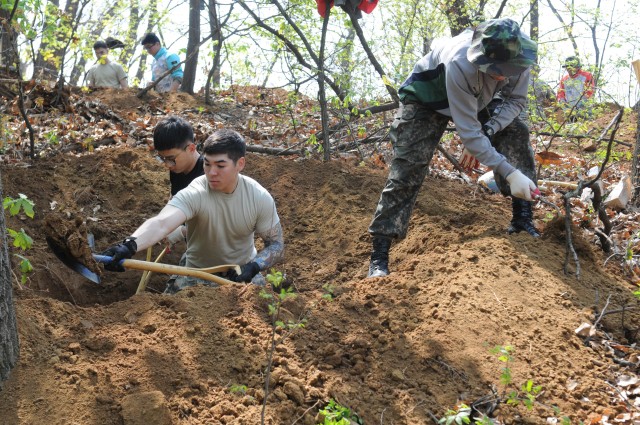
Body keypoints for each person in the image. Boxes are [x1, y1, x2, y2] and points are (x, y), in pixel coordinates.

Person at [367, 18, 540, 278]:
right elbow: (469, 133)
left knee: (515, 130)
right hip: (428, 97)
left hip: (481, 99)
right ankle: (379, 254)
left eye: (508, 69)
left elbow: (515, 101)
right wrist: (506, 169)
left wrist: (489, 131)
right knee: (409, 166)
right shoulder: (460, 63)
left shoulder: (520, 59)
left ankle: (523, 219)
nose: (504, 76)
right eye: (497, 69)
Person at [100, 129, 284, 293]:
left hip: (240, 273)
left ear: (240, 164)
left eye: (220, 166)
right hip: (195, 273)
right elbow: (161, 223)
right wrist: (128, 245)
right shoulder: (196, 191)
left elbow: (276, 245)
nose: (211, 172)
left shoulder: (259, 197)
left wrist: (255, 266)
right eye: (207, 164)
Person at [152, 116, 205, 246]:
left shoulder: (209, 175)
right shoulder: (177, 168)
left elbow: (219, 225)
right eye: (163, 158)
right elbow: (175, 197)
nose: (167, 165)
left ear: (191, 149)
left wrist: (182, 231)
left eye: (171, 158)